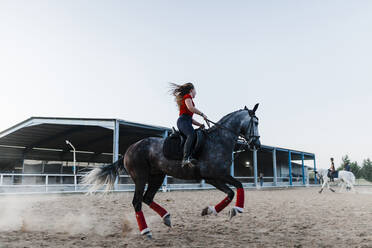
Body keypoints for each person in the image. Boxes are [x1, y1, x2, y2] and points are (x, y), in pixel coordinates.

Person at [169, 83, 208, 167]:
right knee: (191, 135)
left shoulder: (189, 99)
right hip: (183, 121)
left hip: (186, 121)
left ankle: (190, 156)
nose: (196, 93)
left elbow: (191, 119)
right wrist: (202, 114)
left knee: (193, 135)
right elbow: (191, 108)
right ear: (191, 90)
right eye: (195, 90)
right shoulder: (187, 96)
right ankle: (185, 159)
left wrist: (200, 124)